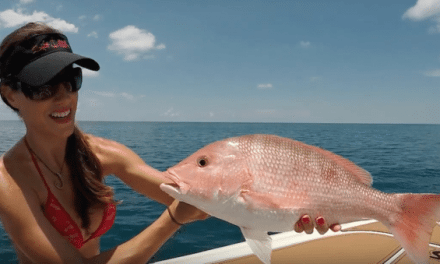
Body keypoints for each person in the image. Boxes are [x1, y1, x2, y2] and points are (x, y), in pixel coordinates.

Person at [0, 22, 339, 263]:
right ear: (10, 94)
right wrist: (172, 221)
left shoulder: (103, 153)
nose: (64, 98)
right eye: (43, 87)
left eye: (71, 81)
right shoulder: (8, 180)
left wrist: (291, 208)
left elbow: (195, 198)